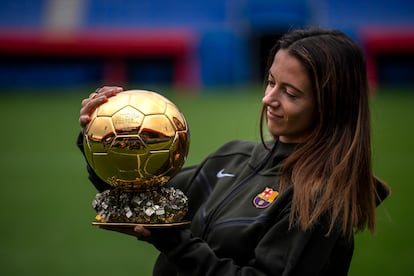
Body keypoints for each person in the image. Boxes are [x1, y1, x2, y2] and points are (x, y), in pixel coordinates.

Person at [77, 27, 390, 276]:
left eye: (290, 92)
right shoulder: (233, 157)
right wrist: (102, 139)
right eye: (270, 82)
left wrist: (175, 242)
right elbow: (141, 204)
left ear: (330, 105)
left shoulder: (320, 199)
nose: (269, 99)